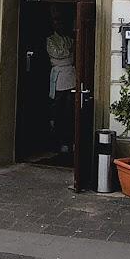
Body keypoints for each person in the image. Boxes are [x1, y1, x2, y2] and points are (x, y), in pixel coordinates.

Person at [46, 9, 76, 155]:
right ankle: (56, 140)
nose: (59, 24)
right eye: (56, 21)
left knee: (69, 108)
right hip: (58, 76)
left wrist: (69, 53)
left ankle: (69, 140)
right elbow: (58, 53)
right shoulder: (50, 40)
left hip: (70, 75)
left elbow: (73, 52)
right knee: (57, 107)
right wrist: (68, 53)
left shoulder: (68, 39)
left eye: (61, 21)